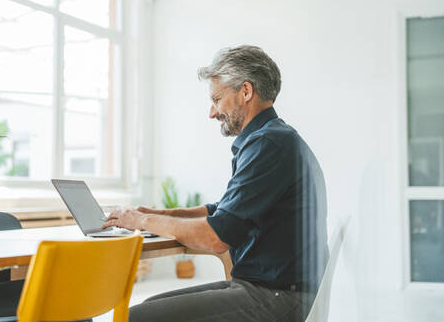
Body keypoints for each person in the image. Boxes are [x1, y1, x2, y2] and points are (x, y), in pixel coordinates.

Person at [102, 45, 329, 322]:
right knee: (146, 306)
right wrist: (158, 214)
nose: (212, 112)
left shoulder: (268, 144)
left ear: (246, 92)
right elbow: (220, 211)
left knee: (136, 318)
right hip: (272, 288)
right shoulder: (272, 139)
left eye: (217, 99)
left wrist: (138, 221)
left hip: (280, 297)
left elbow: (217, 236)